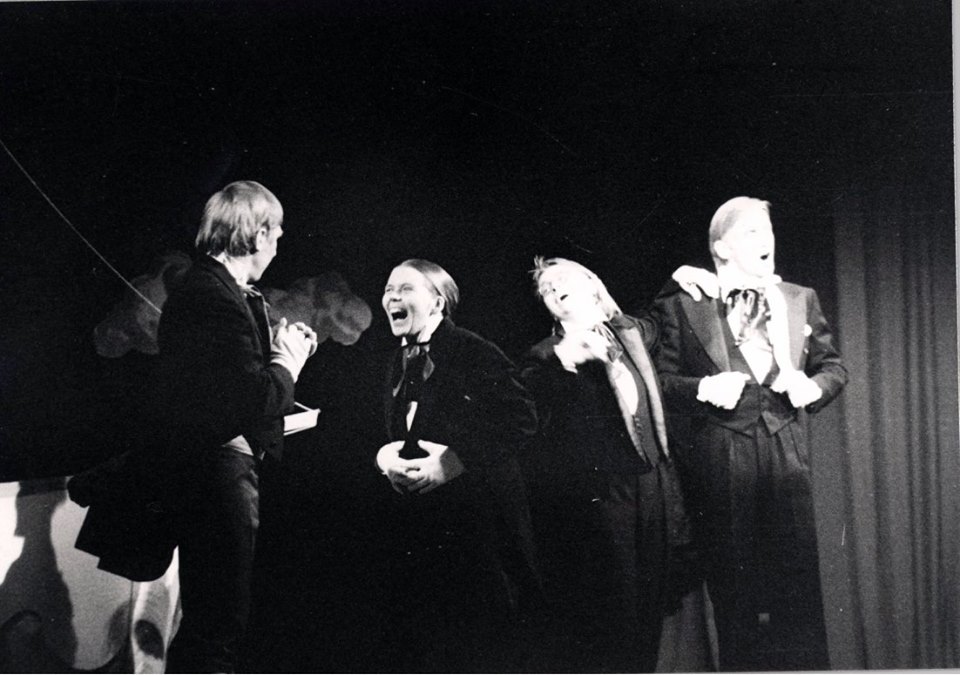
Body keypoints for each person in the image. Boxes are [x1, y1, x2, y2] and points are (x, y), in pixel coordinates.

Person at [650, 196, 847, 671]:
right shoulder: (684, 303)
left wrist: (812, 386)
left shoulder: (798, 298)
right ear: (721, 248)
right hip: (721, 450)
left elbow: (834, 367)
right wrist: (702, 387)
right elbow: (658, 381)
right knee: (734, 589)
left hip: (786, 446)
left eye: (768, 230)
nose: (767, 240)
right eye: (752, 232)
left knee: (798, 583)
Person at [128, 180, 316, 673]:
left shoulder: (212, 290)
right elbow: (254, 399)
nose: (277, 247)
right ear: (258, 233)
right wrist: (288, 361)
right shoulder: (213, 296)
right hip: (218, 475)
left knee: (212, 621)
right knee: (218, 626)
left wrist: (272, 349)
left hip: (211, 470)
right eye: (277, 234)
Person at [519, 256, 694, 673]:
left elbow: (657, 317)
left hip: (653, 485)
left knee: (653, 601)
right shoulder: (544, 356)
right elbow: (526, 395)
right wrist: (565, 357)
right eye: (546, 289)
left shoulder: (628, 332)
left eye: (563, 280)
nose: (554, 289)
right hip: (603, 497)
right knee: (617, 608)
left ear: (593, 285)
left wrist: (678, 277)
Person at [375, 259, 539, 672]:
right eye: (389, 289)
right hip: (424, 532)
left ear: (437, 303)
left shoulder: (473, 349)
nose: (392, 297)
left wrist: (456, 461)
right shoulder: (394, 360)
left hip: (478, 532)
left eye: (405, 289)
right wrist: (384, 458)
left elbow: (522, 419)